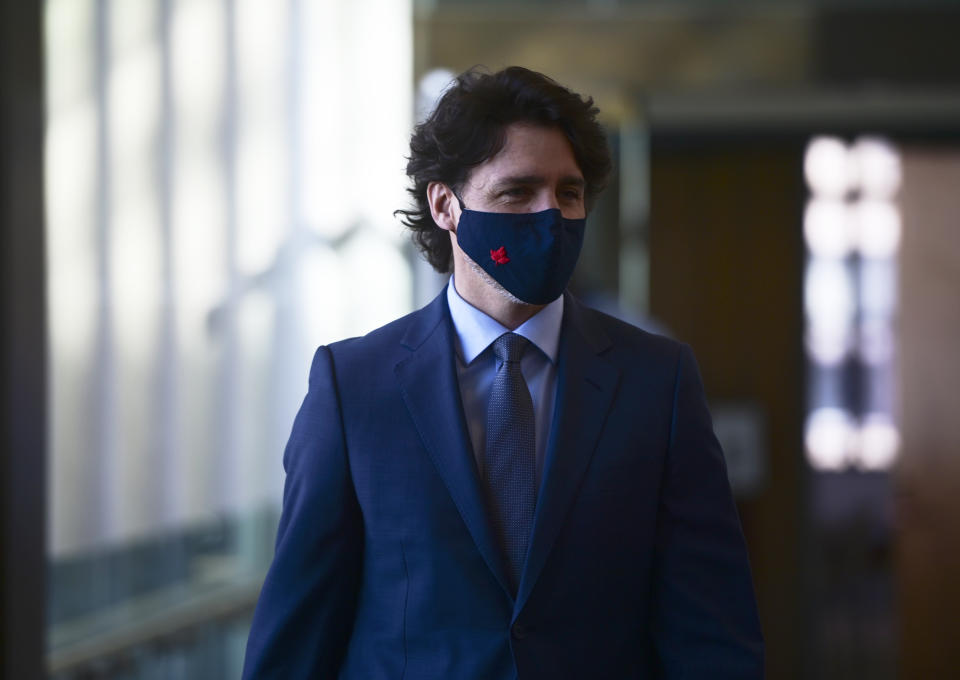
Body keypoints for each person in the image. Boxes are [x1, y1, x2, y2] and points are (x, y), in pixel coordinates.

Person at [242, 66, 763, 679]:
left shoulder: (658, 382)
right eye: (517, 192)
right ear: (446, 205)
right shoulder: (353, 386)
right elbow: (299, 631)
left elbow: (710, 630)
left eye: (567, 194)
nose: (550, 216)